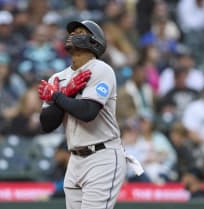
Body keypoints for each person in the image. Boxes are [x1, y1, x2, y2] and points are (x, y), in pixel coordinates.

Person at [38, 20, 142, 209]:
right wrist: (65, 93)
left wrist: (57, 96)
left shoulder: (101, 70)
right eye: (71, 32)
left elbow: (87, 112)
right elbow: (47, 124)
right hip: (75, 159)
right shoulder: (57, 78)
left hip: (103, 156)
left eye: (79, 32)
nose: (72, 35)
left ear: (95, 41)